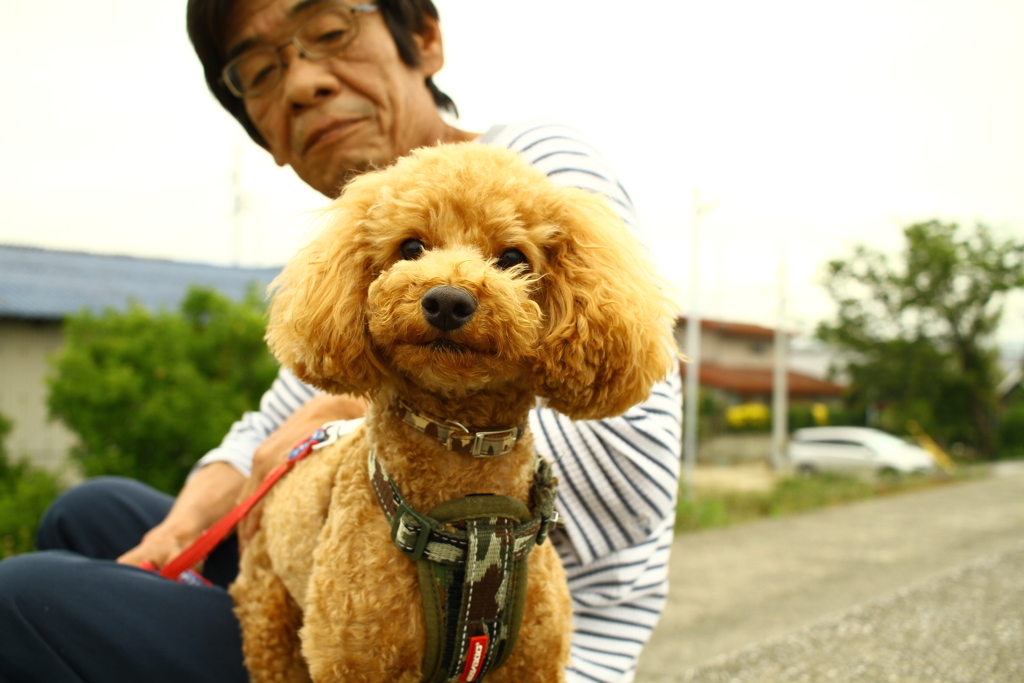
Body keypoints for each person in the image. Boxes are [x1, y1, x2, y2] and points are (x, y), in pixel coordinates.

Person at [0, 1, 682, 682]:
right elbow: (272, 430)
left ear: (425, 38)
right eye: (260, 72)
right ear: (266, 137)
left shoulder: (543, 161)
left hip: (488, 633)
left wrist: (349, 417)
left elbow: (633, 465)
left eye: (330, 31)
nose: (303, 83)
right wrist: (177, 535)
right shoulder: (365, 268)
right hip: (347, 578)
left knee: (22, 600)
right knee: (90, 512)